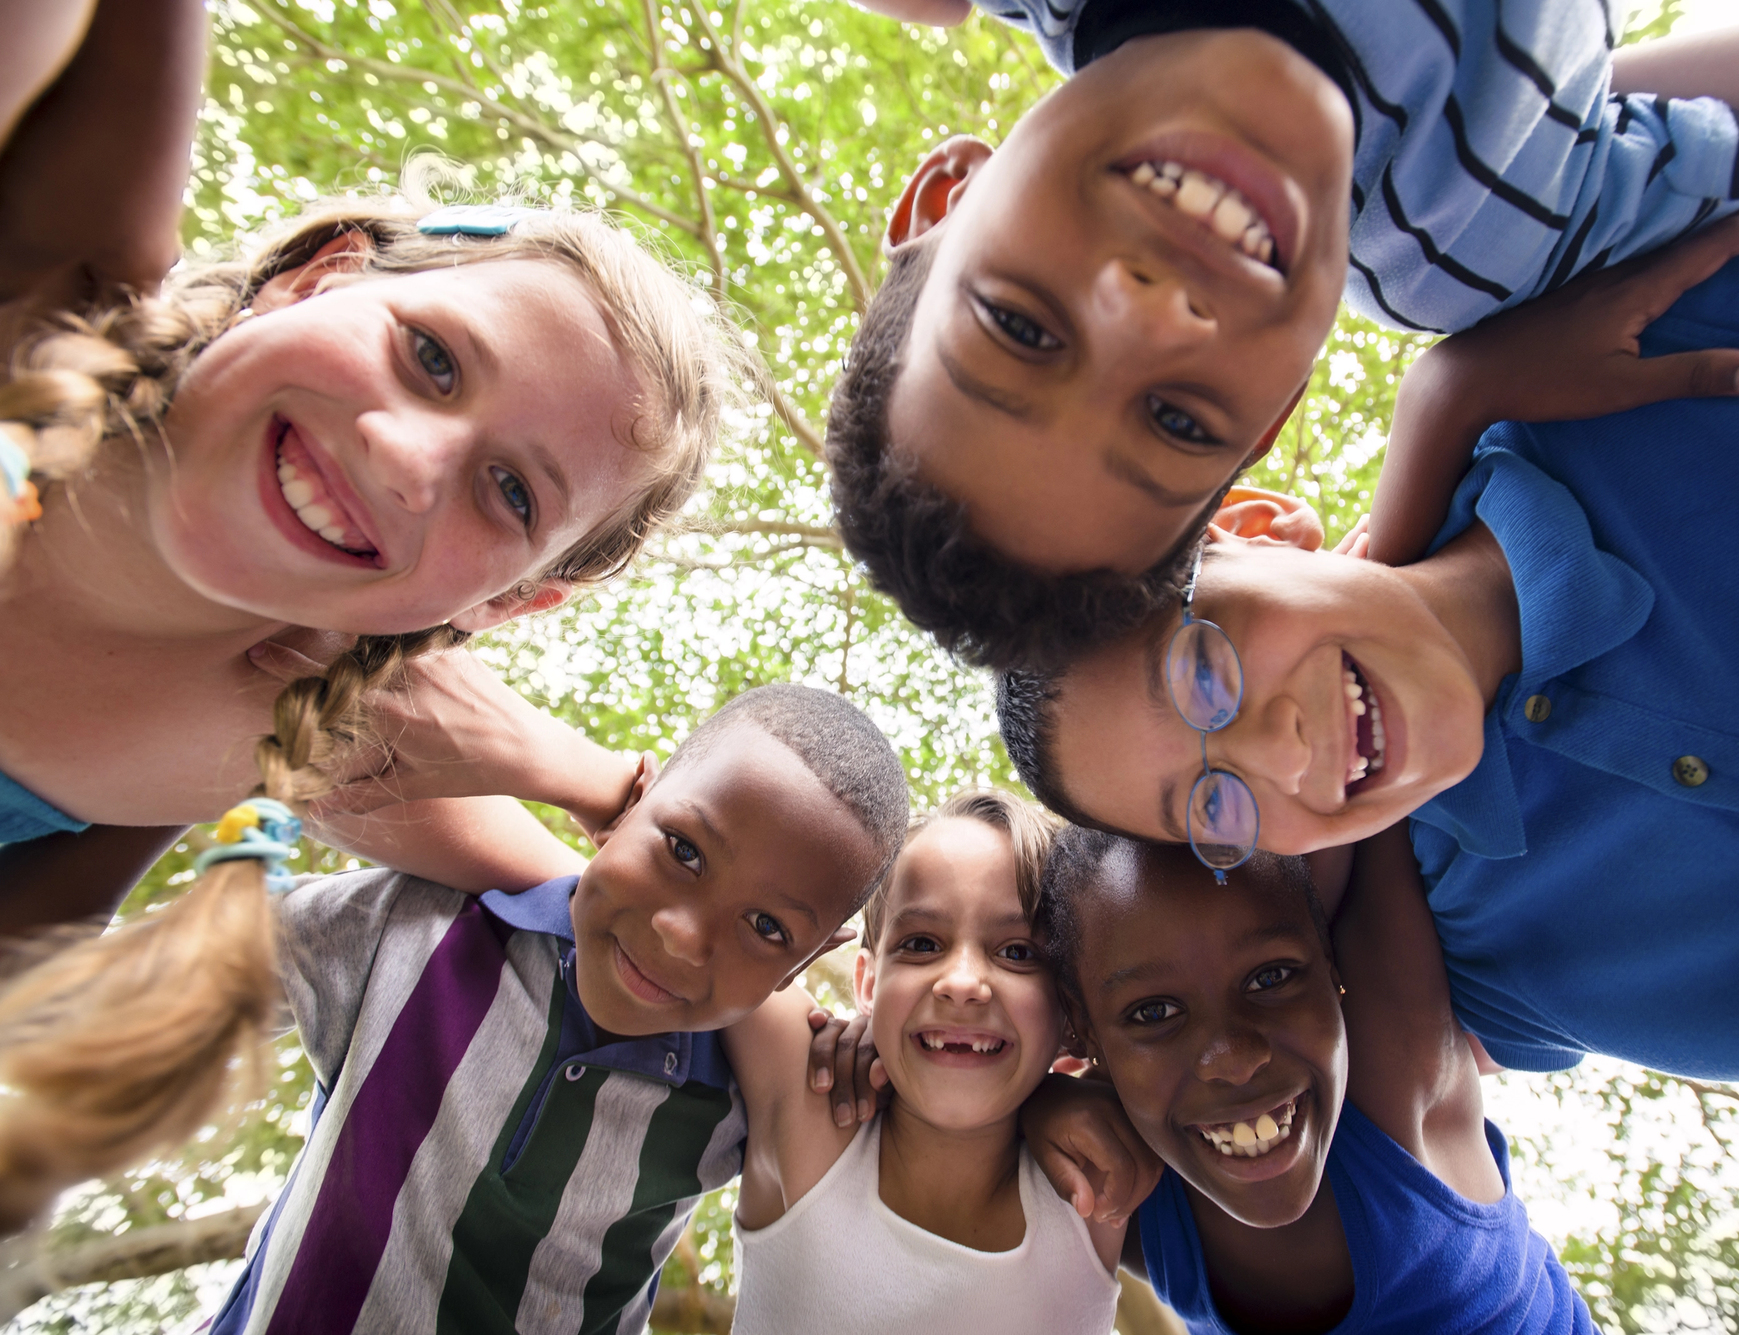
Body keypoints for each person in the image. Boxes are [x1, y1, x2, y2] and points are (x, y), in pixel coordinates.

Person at [997, 132, 1739, 1102]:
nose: (1277, 753)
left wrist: (1455, 385)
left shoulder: (1633, 364)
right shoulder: (1463, 957)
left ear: (1252, 526)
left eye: (1203, 674)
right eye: (1213, 805)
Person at [825, 0, 1739, 671]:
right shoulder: (1484, 242)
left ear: (947, 199)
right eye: (1177, 420)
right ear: (1274, 411)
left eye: (1020, 328)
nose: (1151, 314)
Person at [0, 183, 757, 1220]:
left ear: (506, 604)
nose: (404, 457)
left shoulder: (251, 729)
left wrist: (594, 782)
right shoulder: (45, 293)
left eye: (511, 493)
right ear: (320, 274)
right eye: (434, 359)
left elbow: (633, 922)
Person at [204, 684, 909, 1335]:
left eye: (767, 928)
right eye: (684, 850)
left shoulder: (742, 1102)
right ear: (627, 806)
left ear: (807, 961)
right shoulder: (418, 931)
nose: (682, 936)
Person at [1026, 826, 1594, 1332]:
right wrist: (1029, 1106)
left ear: (1330, 961)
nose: (1233, 1059)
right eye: (1153, 1013)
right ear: (1080, 1033)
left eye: (1271, 977)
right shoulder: (1121, 1198)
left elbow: (1369, 802)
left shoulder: (1394, 1062)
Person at [726, 790, 1129, 1335]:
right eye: (920, 944)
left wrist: (1076, 1095)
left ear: (1069, 1011)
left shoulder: (1103, 1166)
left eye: (1017, 952)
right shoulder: (807, 1099)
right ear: (868, 983)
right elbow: (637, 900)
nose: (962, 983)